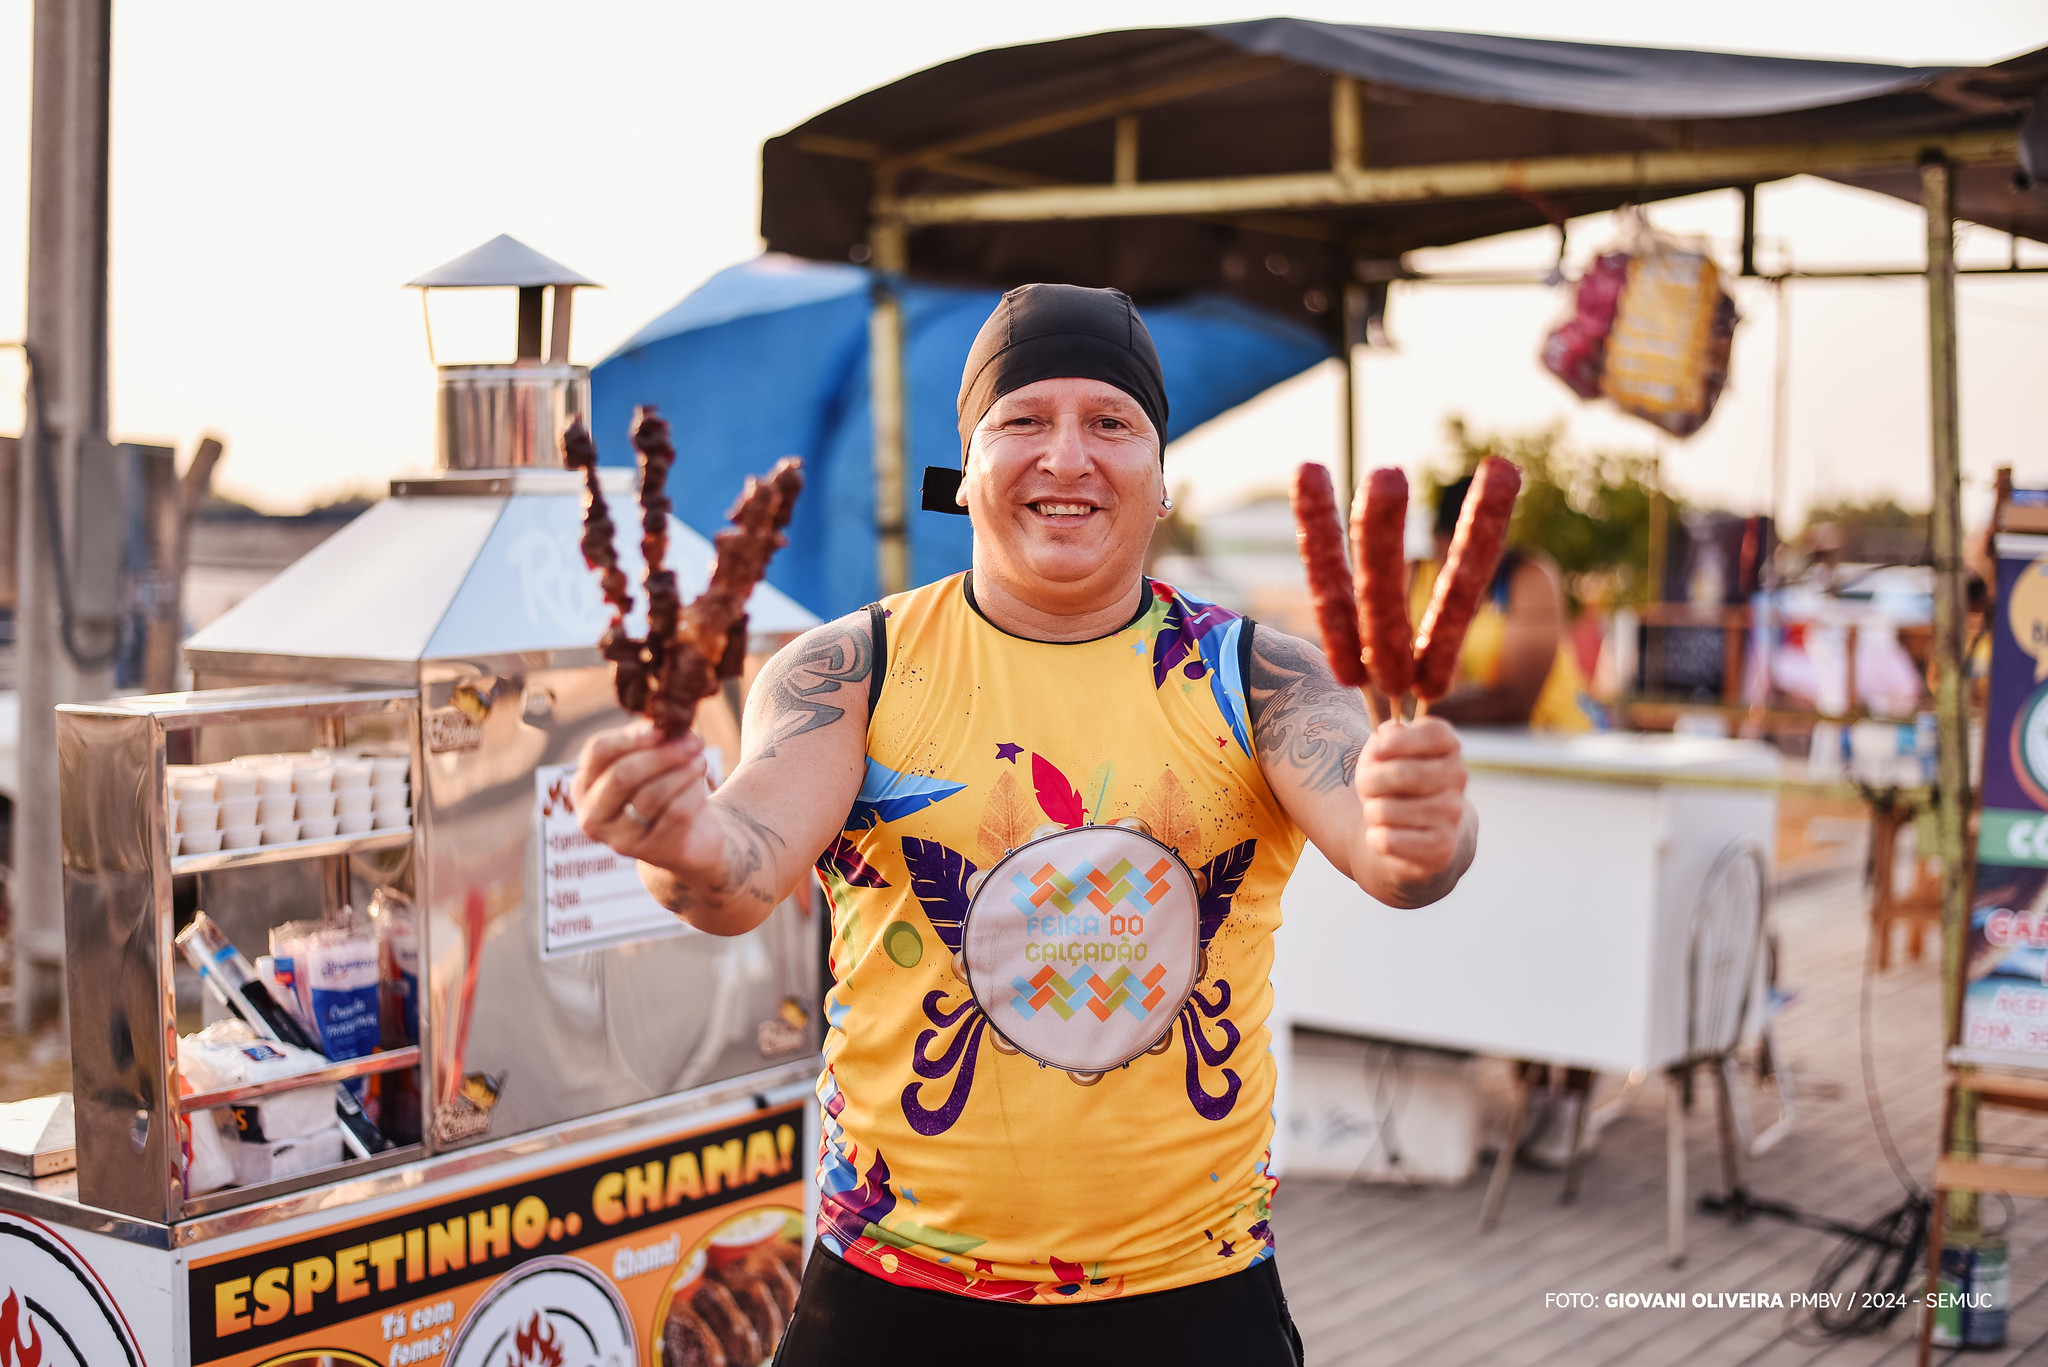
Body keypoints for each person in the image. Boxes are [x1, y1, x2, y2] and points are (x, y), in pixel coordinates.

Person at [572, 283, 1476, 1365]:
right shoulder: (850, 667)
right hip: (893, 1292)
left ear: (1158, 475)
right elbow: (734, 870)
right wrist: (674, 845)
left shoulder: (1256, 675)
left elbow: (1395, 855)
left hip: (1189, 1292)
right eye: (1022, 420)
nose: (1065, 457)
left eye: (1110, 423)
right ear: (965, 465)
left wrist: (1427, 830)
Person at [1407, 474, 1593, 731]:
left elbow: (1514, 705)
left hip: (1556, 740)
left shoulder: (1529, 581)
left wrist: (1415, 710)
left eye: (1495, 541)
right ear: (1437, 539)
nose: (1483, 557)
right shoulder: (1412, 579)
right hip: (1465, 745)